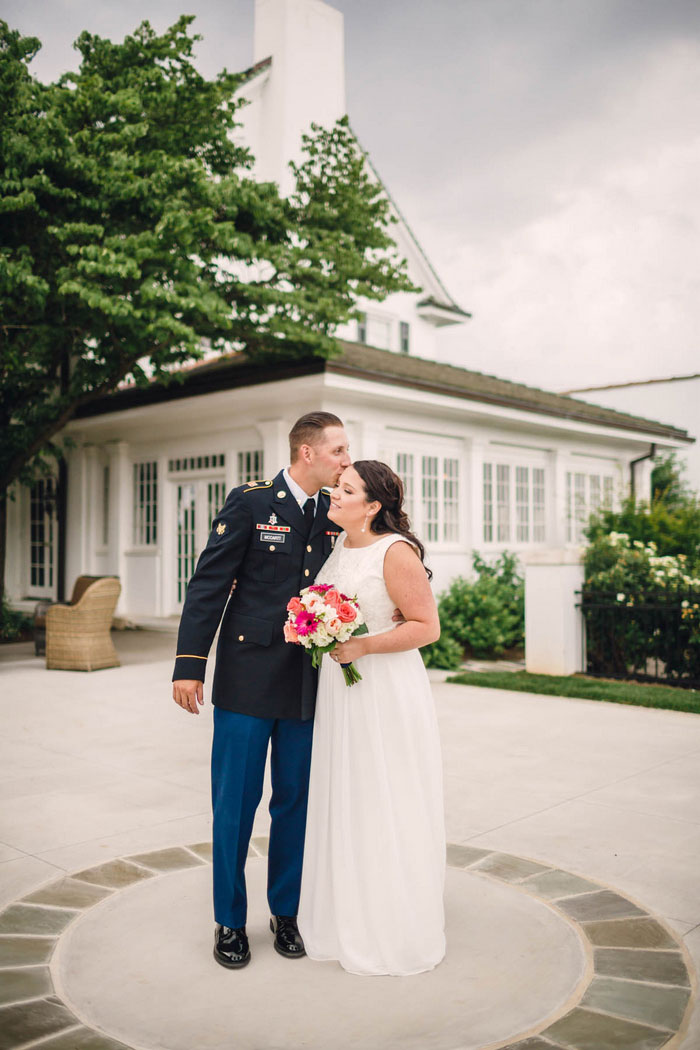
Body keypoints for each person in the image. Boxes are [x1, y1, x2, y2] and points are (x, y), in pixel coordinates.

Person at [172, 412, 351, 969]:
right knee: (235, 806)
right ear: (307, 452)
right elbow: (209, 583)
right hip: (247, 681)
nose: (347, 460)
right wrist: (189, 663)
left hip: (304, 684)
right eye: (339, 451)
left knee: (294, 803)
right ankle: (229, 921)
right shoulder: (251, 502)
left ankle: (287, 913)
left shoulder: (333, 514)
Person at [298, 460, 446, 976]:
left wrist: (362, 644)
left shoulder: (395, 551)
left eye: (346, 490)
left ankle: (390, 921)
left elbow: (427, 627)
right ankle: (344, 913)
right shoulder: (340, 545)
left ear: (374, 506)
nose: (334, 496)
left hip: (383, 690)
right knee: (347, 794)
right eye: (337, 488)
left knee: (385, 793)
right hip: (340, 691)